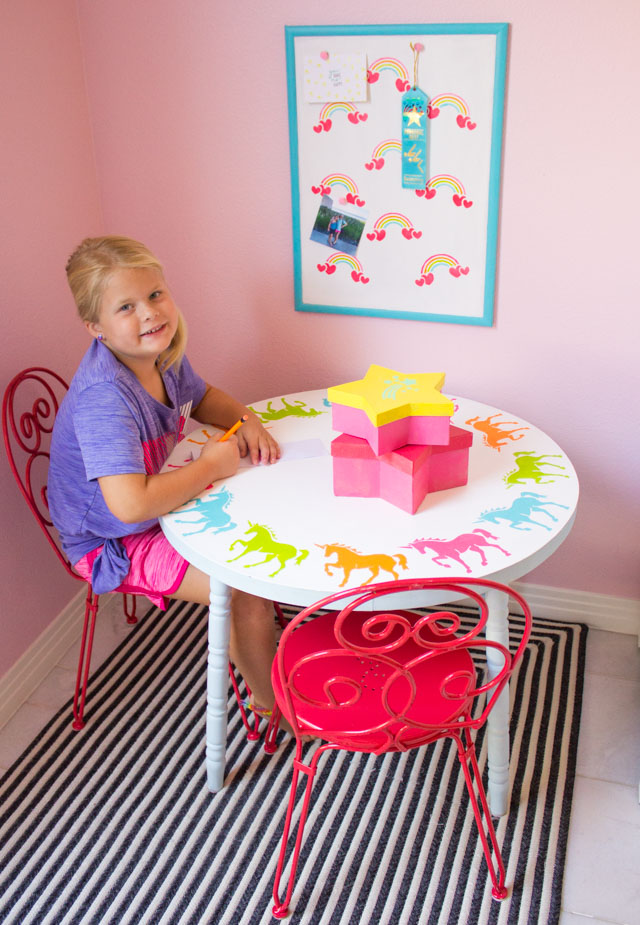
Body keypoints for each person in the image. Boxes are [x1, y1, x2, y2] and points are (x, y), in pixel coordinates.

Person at [48, 235, 281, 718]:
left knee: (267, 515)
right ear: (97, 328)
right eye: (126, 307)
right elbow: (130, 507)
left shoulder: (163, 354)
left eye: (155, 295)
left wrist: (245, 420)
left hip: (153, 499)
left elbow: (203, 396)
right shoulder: (104, 398)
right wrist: (209, 468)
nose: (150, 313)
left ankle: (268, 647)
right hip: (109, 540)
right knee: (240, 583)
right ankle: (271, 703)